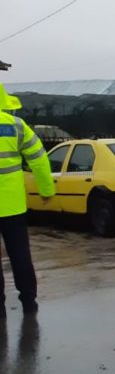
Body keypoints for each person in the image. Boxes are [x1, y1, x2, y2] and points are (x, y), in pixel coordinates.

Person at [0, 85, 55, 316]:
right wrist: (46, 189)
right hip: (13, 205)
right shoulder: (16, 126)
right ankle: (29, 303)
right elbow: (40, 159)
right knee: (20, 255)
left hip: (13, 205)